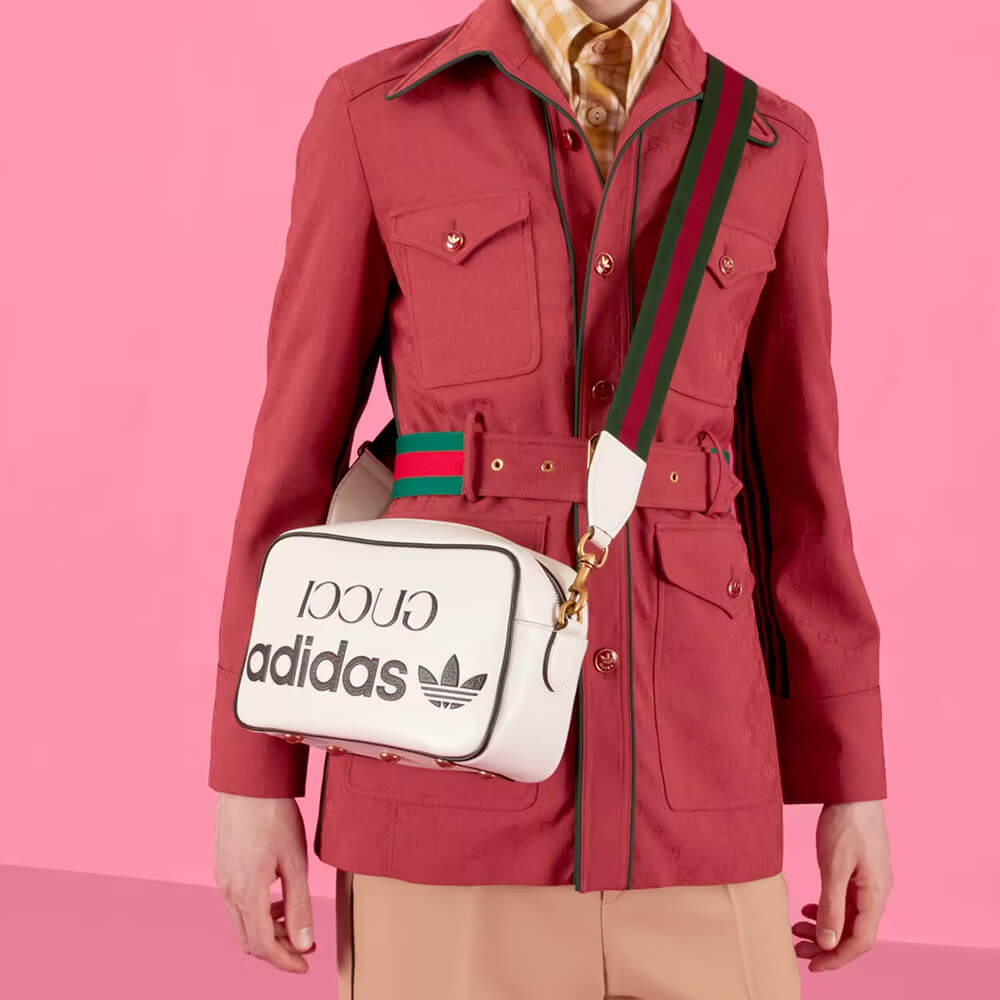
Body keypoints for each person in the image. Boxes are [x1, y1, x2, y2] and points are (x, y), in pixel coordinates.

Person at [208, 1, 893, 997]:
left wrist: (850, 781)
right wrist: (252, 776)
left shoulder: (769, 142)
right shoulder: (376, 112)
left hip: (702, 799)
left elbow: (801, 494)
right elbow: (290, 472)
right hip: (439, 802)